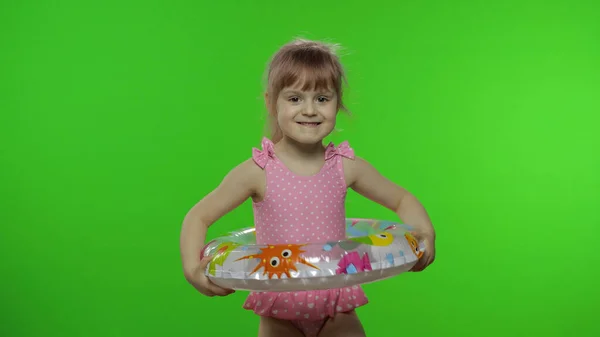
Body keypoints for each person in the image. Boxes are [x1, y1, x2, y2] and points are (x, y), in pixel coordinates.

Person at [180, 38, 436, 337]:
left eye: (322, 99)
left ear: (337, 103)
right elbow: (198, 217)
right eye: (295, 98)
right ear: (271, 102)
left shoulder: (346, 166)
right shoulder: (258, 171)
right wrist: (192, 268)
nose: (310, 110)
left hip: (337, 309)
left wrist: (424, 232)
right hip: (280, 315)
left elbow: (402, 198)